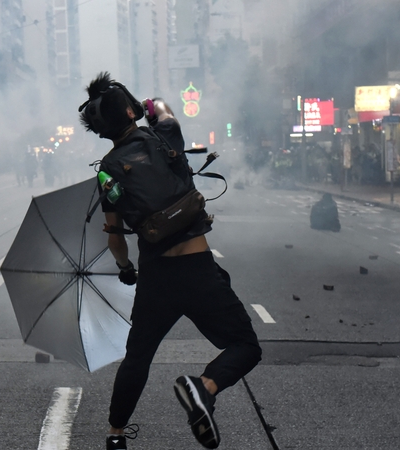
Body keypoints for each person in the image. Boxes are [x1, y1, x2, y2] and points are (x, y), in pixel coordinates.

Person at [78, 72, 262, 450]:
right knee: (245, 345)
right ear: (130, 111)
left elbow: (115, 238)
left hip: (156, 277)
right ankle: (204, 388)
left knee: (138, 357)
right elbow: (160, 106)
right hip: (197, 269)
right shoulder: (165, 137)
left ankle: (115, 436)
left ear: (100, 131)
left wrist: (127, 270)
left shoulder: (107, 172)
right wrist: (146, 106)